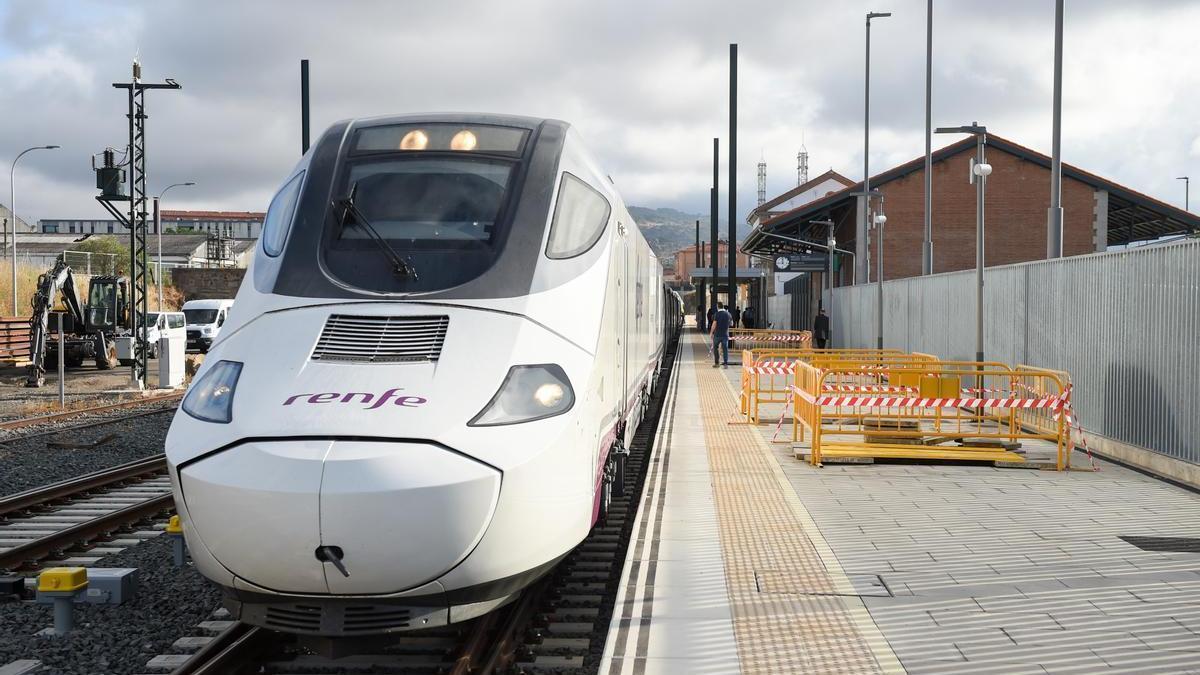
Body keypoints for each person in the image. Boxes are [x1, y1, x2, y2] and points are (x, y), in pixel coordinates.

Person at [709, 302, 732, 368]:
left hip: (717, 335)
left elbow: (714, 324)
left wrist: (711, 333)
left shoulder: (717, 314)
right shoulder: (728, 314)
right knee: (725, 349)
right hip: (725, 335)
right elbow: (731, 323)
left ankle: (717, 363)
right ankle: (725, 364)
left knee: (715, 348)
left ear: (718, 307)